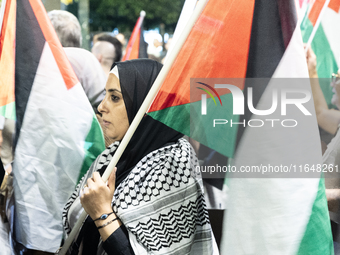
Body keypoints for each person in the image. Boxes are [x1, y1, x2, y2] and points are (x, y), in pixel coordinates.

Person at [62, 59, 217, 254]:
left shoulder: (174, 163)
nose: (101, 107)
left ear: (144, 105)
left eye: (115, 98)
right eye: (105, 95)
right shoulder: (111, 156)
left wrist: (102, 212)